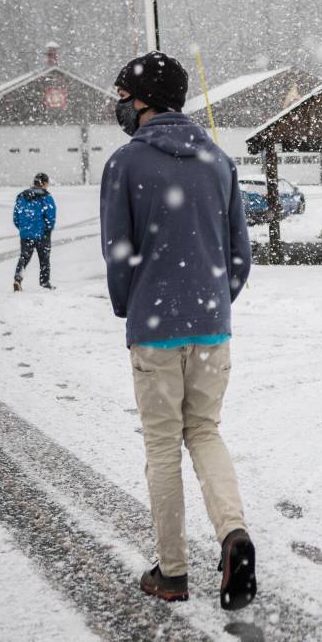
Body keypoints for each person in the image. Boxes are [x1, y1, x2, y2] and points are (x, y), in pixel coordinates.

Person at [99, 51, 256, 609]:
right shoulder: (218, 160)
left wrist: (134, 307)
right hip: (213, 328)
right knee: (206, 433)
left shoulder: (125, 164)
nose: (118, 105)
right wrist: (213, 302)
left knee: (163, 447)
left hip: (156, 329)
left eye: (123, 96)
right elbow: (241, 254)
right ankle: (233, 535)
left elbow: (120, 254)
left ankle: (172, 571)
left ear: (144, 101)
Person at [12, 172, 56, 291]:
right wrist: (47, 229)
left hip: (26, 234)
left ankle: (18, 279)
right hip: (42, 234)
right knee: (44, 259)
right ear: (45, 183)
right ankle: (45, 282)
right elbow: (51, 217)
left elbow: (16, 217)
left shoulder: (22, 196)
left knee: (24, 257)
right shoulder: (46, 197)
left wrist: (23, 228)